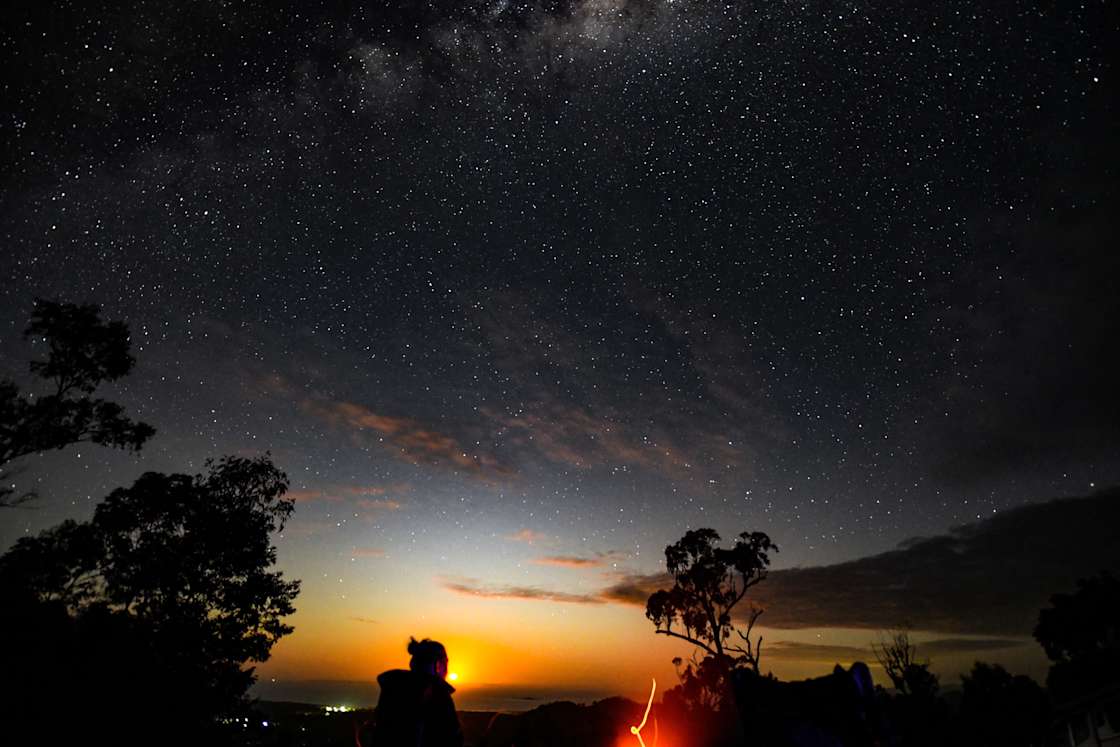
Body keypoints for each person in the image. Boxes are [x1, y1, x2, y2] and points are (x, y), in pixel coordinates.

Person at [362, 637, 464, 747]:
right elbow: (452, 739)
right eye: (446, 661)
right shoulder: (439, 694)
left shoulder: (393, 688)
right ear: (438, 664)